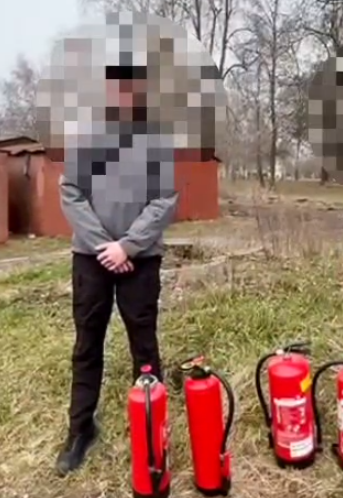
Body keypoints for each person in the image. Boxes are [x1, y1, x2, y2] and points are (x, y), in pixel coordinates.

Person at [55, 63, 177, 476]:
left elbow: (165, 199)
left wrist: (127, 245)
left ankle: (152, 426)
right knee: (87, 343)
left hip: (140, 260)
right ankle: (80, 430)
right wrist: (102, 246)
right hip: (91, 260)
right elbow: (71, 192)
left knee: (144, 343)